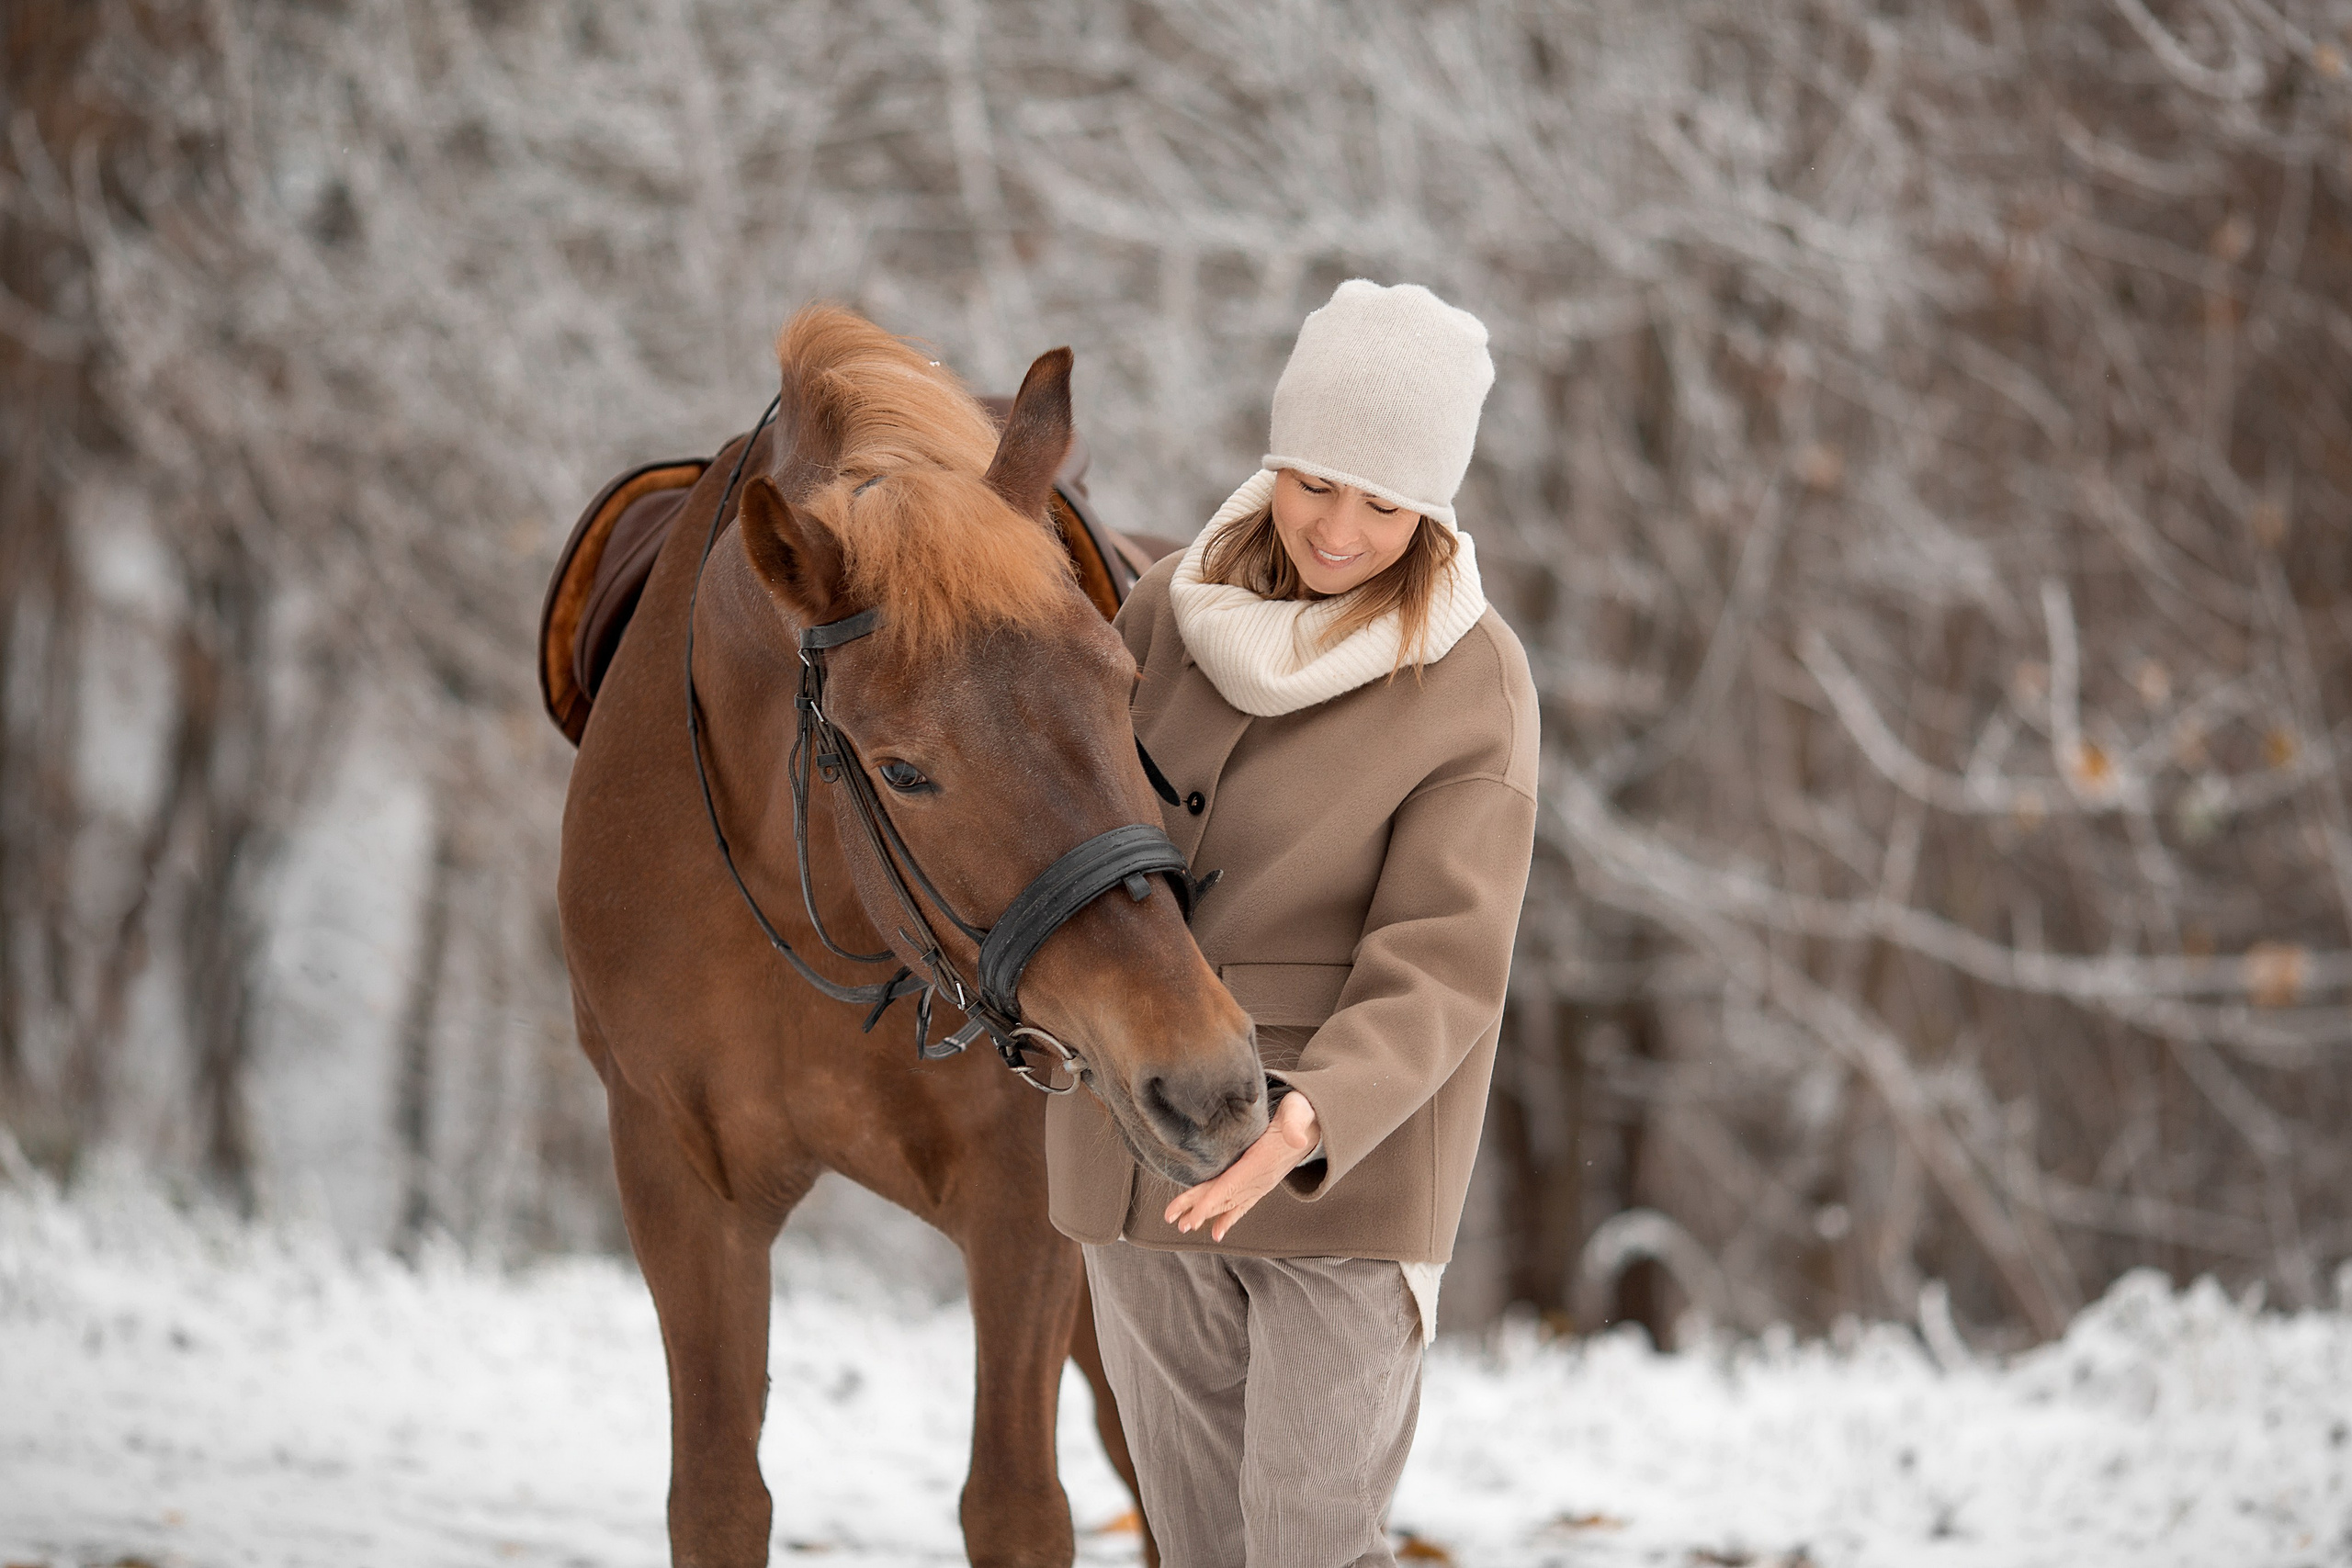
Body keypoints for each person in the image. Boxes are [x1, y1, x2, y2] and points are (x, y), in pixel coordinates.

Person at [1046, 279, 1540, 1566]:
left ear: (1432, 509)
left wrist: (1300, 1128)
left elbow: (1444, 960)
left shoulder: (1472, 674)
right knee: (1198, 1545)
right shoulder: (1161, 611)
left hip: (1342, 1174)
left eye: (1386, 503)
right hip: (1147, 1141)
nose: (1339, 527)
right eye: (1317, 480)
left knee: (1308, 1545)